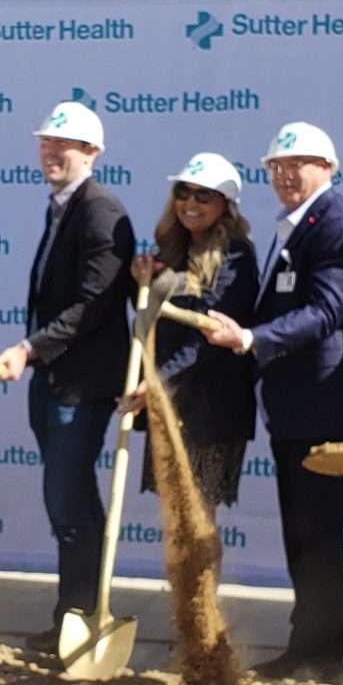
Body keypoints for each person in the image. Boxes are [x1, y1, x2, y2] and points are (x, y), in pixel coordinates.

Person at [204, 121, 343, 685]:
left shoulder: (338, 225)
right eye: (276, 167)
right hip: (294, 407)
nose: (284, 175)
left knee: (319, 535)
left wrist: (253, 339)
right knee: (302, 534)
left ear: (327, 168)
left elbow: (326, 312)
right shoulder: (298, 225)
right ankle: (307, 643)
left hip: (326, 407)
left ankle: (324, 653)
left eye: (297, 164)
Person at [0, 100, 135, 647]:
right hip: (54, 381)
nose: (51, 151)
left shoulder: (99, 209)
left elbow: (96, 303)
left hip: (81, 384)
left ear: (92, 152)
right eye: (46, 142)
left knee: (68, 502)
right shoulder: (62, 207)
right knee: (71, 502)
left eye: (64, 144)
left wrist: (29, 347)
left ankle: (78, 620)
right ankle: (79, 615)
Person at [125, 151, 258, 508]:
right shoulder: (172, 249)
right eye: (184, 192)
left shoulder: (236, 255)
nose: (190, 203)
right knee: (174, 513)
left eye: (204, 195)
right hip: (169, 406)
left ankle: (200, 570)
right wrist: (141, 282)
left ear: (226, 204)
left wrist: (159, 383)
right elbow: (151, 321)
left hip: (209, 412)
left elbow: (209, 338)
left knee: (197, 519)